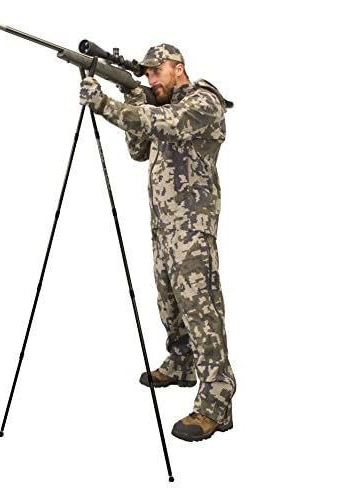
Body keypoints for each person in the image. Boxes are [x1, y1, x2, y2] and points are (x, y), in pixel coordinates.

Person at [79, 44, 236, 442]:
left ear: (178, 68)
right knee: (168, 300)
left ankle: (216, 403)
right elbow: (138, 148)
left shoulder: (203, 101)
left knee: (200, 307)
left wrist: (106, 104)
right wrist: (133, 98)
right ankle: (181, 364)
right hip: (163, 224)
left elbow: (166, 123)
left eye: (156, 71)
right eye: (146, 73)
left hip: (192, 225)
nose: (151, 78)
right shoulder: (159, 106)